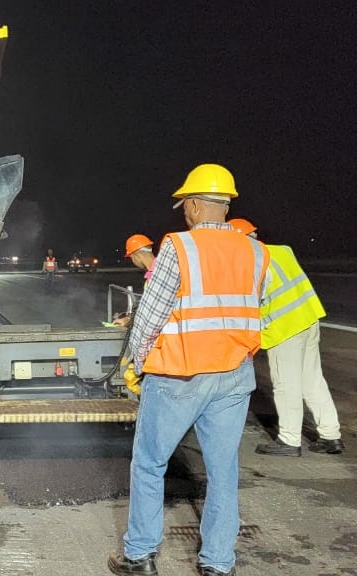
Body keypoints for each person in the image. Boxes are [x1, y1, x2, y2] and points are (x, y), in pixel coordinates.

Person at [108, 164, 269, 576]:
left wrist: (137, 364)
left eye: (184, 205)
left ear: (195, 205)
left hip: (180, 372)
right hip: (234, 375)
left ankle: (139, 556)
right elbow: (254, 311)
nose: (184, 211)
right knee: (223, 472)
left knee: (149, 464)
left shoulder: (179, 247)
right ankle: (218, 563)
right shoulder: (256, 251)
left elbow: (150, 316)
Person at [228, 218, 344, 456]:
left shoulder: (252, 263)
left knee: (285, 384)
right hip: (309, 318)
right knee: (312, 380)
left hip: (284, 328)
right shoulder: (282, 251)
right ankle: (331, 435)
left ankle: (289, 440)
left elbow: (251, 301)